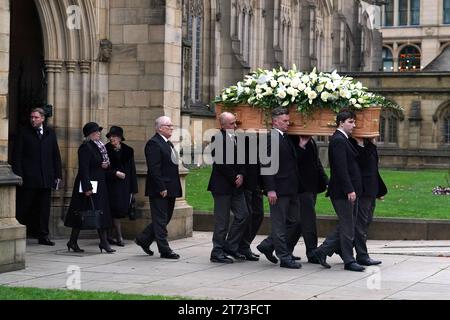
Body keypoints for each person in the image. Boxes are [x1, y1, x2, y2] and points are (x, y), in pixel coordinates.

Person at [311, 110, 365, 272]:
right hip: (342, 191)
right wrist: (349, 189)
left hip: (348, 190)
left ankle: (323, 251)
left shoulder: (346, 139)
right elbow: (340, 168)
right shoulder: (338, 140)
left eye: (354, 122)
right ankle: (349, 260)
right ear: (341, 122)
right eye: (350, 122)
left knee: (348, 224)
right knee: (347, 226)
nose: (353, 125)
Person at [257, 108, 301, 269]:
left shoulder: (286, 138)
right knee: (279, 224)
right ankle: (284, 257)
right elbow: (266, 164)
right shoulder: (270, 138)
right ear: (275, 121)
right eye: (284, 121)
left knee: (295, 221)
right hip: (278, 189)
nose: (288, 124)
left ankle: (268, 245)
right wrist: (270, 189)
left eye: (288, 121)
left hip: (291, 187)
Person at [12, 107, 62, 246]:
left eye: (36, 117)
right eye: (31, 117)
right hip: (29, 178)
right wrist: (19, 175)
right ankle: (17, 233)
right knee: (23, 206)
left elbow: (55, 155)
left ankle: (43, 236)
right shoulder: (23, 132)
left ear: (42, 118)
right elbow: (17, 156)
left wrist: (58, 174)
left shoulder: (50, 133)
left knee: (44, 209)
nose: (33, 119)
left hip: (46, 178)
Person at [135, 116, 182, 259]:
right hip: (160, 188)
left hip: (171, 187)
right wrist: (161, 187)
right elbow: (154, 169)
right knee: (161, 220)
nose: (172, 128)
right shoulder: (154, 143)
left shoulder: (167, 143)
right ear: (160, 128)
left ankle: (143, 239)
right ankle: (164, 249)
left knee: (164, 218)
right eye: (169, 126)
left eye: (172, 126)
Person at [64, 122, 115, 253]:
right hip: (89, 185)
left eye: (99, 131)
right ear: (90, 134)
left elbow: (100, 164)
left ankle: (101, 242)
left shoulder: (99, 146)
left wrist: (104, 166)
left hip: (99, 184)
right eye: (97, 131)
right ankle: (73, 241)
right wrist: (87, 187)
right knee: (82, 214)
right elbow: (84, 169)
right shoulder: (86, 147)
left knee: (99, 212)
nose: (99, 133)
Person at [208, 112, 249, 263]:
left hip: (237, 185)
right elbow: (220, 162)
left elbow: (244, 159)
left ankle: (230, 247)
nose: (235, 126)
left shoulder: (237, 138)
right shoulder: (217, 138)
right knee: (222, 221)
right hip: (222, 186)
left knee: (243, 215)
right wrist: (234, 177)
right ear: (223, 125)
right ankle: (217, 251)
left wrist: (241, 175)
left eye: (235, 123)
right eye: (232, 124)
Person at [288, 135, 329, 264]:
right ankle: (312, 252)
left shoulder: (310, 140)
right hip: (301, 188)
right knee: (308, 221)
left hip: (311, 187)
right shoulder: (293, 139)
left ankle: (286, 249)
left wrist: (326, 180)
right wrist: (301, 146)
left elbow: (316, 163)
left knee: (302, 222)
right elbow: (292, 163)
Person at [351, 137, 387, 266]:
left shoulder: (370, 146)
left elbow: (373, 171)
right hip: (362, 191)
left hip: (371, 191)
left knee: (366, 222)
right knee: (360, 224)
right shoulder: (354, 145)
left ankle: (331, 249)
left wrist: (378, 191)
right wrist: (363, 143)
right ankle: (362, 255)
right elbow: (361, 163)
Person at [105, 126, 138, 247]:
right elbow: (103, 169)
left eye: (114, 136)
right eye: (110, 137)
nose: (111, 138)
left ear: (120, 138)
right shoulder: (105, 149)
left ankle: (110, 236)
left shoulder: (128, 150)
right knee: (114, 211)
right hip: (110, 185)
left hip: (124, 186)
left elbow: (132, 171)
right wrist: (115, 173)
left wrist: (133, 189)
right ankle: (118, 236)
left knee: (119, 210)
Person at [238, 132, 264, 261]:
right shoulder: (244, 137)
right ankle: (242, 246)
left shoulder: (260, 138)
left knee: (258, 214)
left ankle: (244, 244)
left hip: (257, 182)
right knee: (249, 215)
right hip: (247, 182)